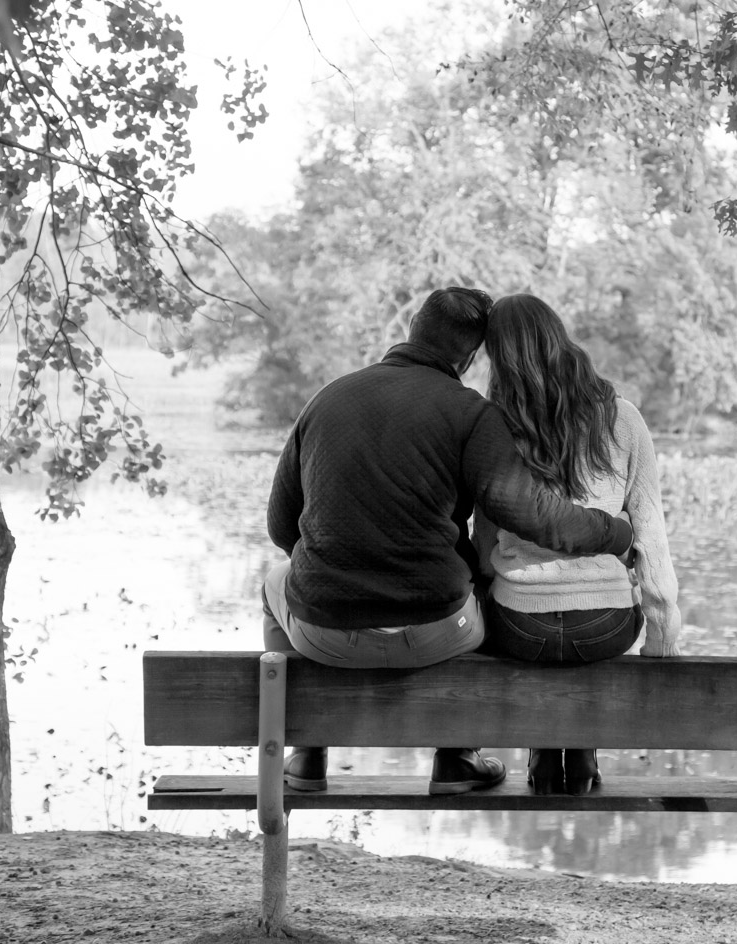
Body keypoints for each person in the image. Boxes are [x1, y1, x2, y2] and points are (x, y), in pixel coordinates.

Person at [263, 287, 634, 795]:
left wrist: (343, 572)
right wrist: (614, 532)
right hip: (439, 632)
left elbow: (281, 527)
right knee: (486, 590)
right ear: (470, 357)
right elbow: (531, 513)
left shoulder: (327, 399)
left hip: (325, 634)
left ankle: (307, 752)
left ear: (414, 328)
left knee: (274, 582)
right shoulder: (471, 413)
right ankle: (457, 758)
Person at [472, 293, 681, 795]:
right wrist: (661, 640)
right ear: (559, 337)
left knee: (532, 628)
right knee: (576, 636)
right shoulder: (623, 419)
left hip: (520, 626)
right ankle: (582, 748)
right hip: (606, 624)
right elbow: (650, 534)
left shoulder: (494, 425)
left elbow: (483, 542)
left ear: (499, 358)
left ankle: (545, 750)